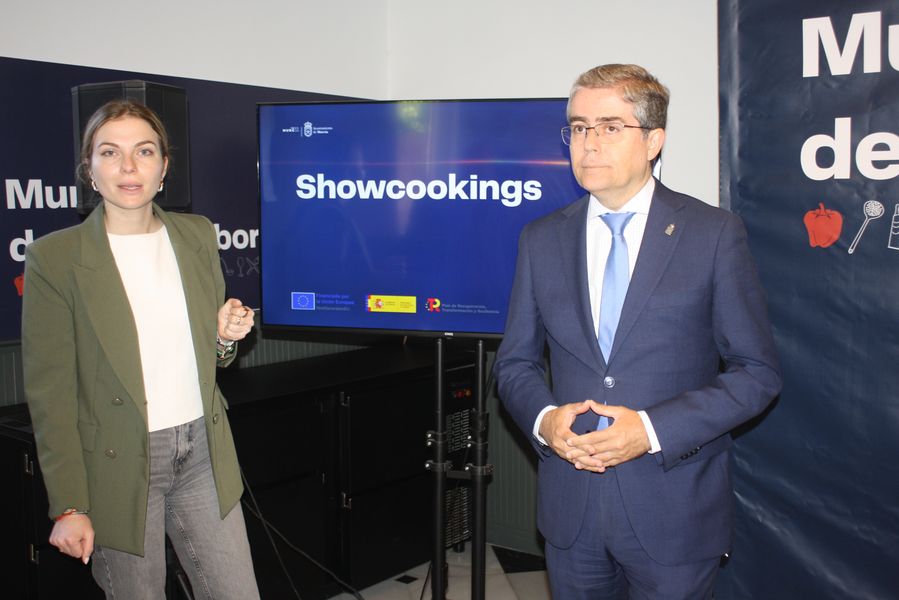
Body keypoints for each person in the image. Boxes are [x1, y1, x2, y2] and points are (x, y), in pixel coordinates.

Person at [493, 64, 782, 599]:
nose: (589, 143)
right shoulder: (541, 239)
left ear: (653, 141)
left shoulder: (713, 235)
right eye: (579, 127)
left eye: (610, 127)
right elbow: (515, 363)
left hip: (674, 511)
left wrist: (650, 430)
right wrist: (545, 421)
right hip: (570, 511)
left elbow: (757, 373)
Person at [22, 99, 261, 599]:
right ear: (89, 169)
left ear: (164, 167)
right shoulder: (55, 257)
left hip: (202, 450)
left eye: (144, 151)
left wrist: (224, 337)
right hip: (118, 462)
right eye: (110, 152)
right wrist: (69, 504)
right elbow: (51, 395)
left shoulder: (197, 235)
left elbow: (217, 360)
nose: (128, 167)